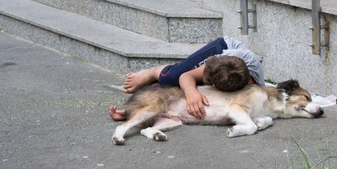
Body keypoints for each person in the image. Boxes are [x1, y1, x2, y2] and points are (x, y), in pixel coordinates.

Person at [110, 36, 264, 120]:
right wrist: (191, 93)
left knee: (181, 89)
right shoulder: (220, 63)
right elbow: (187, 76)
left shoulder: (255, 83)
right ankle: (153, 72)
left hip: (229, 67)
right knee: (173, 78)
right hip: (222, 47)